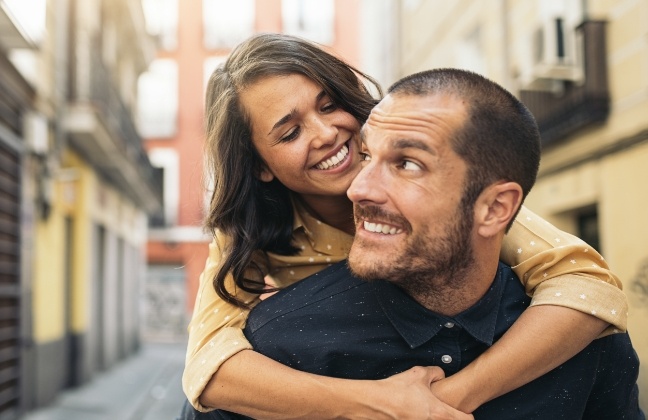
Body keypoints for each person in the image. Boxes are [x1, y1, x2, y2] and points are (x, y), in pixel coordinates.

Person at [182, 33, 628, 419]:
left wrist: (447, 400)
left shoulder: (446, 198)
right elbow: (209, 366)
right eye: (289, 133)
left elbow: (588, 286)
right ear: (261, 166)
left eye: (329, 105)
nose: (325, 134)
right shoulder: (251, 235)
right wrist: (375, 403)